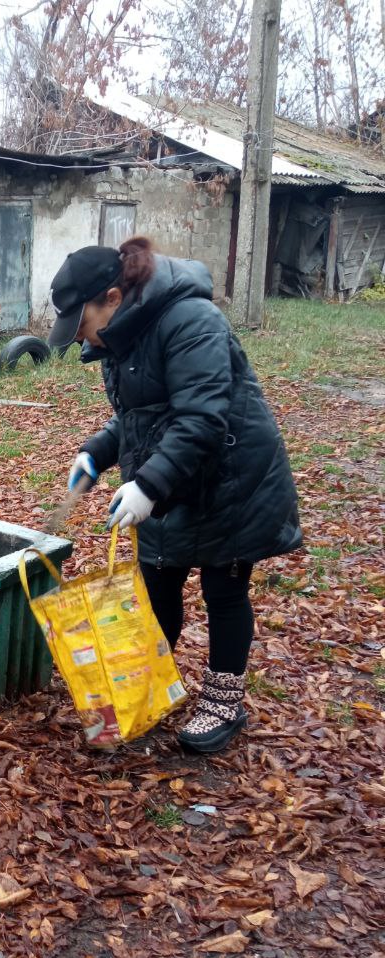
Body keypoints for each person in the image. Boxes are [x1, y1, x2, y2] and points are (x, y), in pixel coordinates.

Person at [48, 236, 302, 754]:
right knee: (157, 582)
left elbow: (201, 418)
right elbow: (140, 415)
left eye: (81, 322)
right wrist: (96, 452)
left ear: (113, 298)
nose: (80, 337)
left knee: (223, 590)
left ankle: (224, 703)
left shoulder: (191, 320)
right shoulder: (121, 337)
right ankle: (143, 686)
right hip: (172, 476)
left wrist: (146, 485)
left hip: (229, 477)